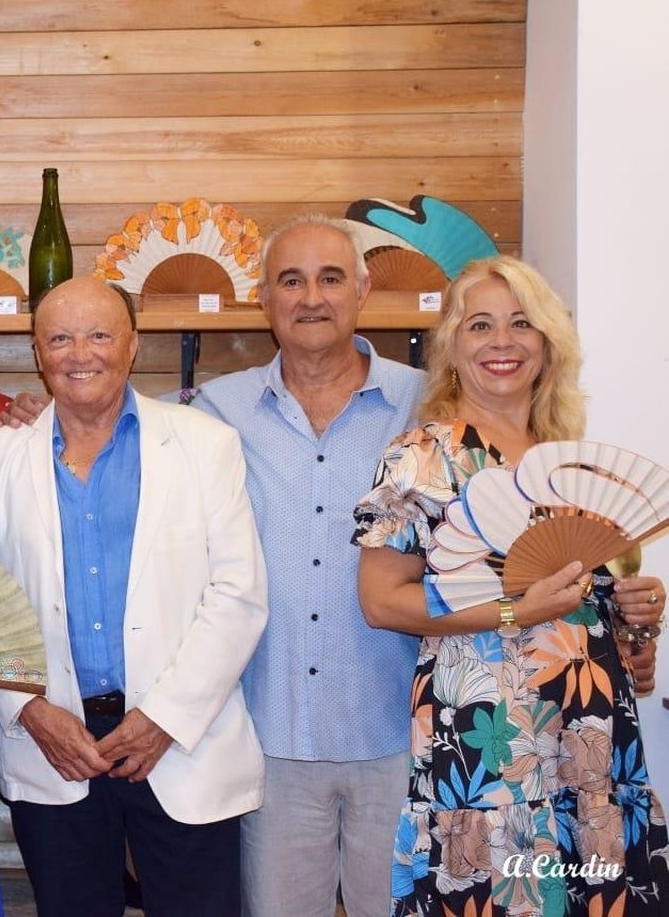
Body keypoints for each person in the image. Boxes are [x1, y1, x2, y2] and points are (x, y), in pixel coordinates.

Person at [355, 256, 669, 916]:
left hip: (588, 735)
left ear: (548, 340)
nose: (503, 341)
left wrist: (634, 618)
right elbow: (381, 601)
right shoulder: (424, 455)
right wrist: (512, 607)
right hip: (489, 738)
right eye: (480, 325)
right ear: (452, 345)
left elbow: (596, 625)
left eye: (522, 322)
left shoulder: (568, 458)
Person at [0, 276, 267, 917]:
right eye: (60, 338)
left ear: (132, 345)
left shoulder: (205, 445)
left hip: (181, 739)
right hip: (56, 742)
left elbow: (238, 594)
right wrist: (28, 711)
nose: (81, 354)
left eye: (100, 334)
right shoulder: (1, 457)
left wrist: (164, 718)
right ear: (38, 352)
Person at [182, 217, 426, 917]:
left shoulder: (427, 401)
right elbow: (107, 416)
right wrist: (18, 410)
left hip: (397, 734)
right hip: (272, 739)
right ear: (264, 298)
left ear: (364, 290)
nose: (310, 296)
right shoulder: (215, 410)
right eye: (291, 280)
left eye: (329, 277)